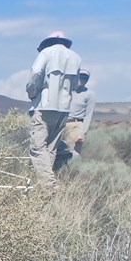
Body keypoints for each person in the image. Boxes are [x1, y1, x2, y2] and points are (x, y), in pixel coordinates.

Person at [25, 30, 82, 190]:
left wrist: (32, 92)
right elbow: (75, 85)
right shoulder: (76, 57)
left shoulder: (46, 53)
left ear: (48, 42)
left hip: (44, 106)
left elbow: (36, 72)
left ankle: (49, 187)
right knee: (51, 148)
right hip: (64, 109)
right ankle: (43, 189)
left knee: (37, 147)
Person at [55, 69, 95, 172]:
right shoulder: (67, 91)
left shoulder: (89, 94)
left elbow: (88, 115)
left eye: (85, 78)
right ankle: (57, 173)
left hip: (76, 125)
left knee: (73, 154)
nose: (82, 79)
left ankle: (72, 174)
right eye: (81, 76)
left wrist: (82, 133)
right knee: (58, 151)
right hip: (62, 124)